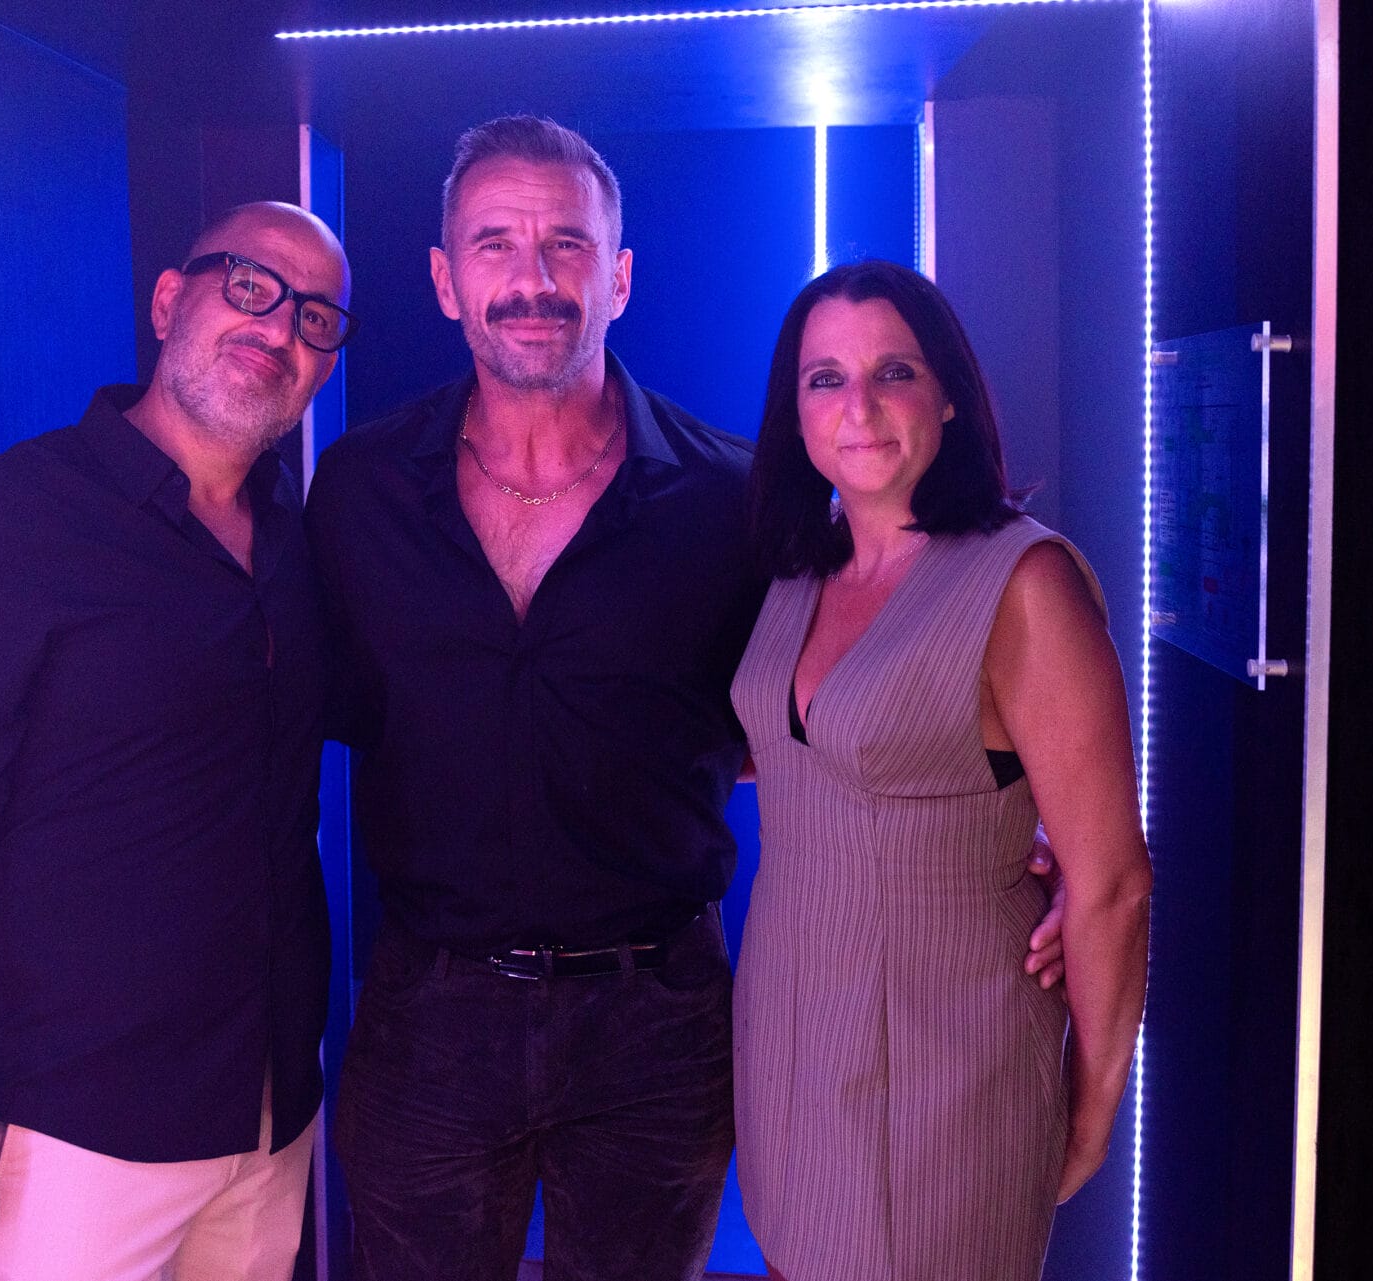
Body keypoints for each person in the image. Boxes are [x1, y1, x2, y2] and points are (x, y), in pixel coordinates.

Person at [306, 118, 1064, 1281]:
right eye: (496, 243)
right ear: (445, 281)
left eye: (567, 244)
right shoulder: (360, 488)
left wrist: (1013, 819)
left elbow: (816, 710)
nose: (532, 278)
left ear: (618, 277)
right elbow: (325, 702)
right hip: (430, 1016)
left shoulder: (732, 502)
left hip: (657, 1020)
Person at [0, 201, 351, 1281]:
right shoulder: (15, 518)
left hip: (270, 1110)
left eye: (316, 318)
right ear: (170, 301)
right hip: (73, 1131)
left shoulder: (297, 539)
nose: (279, 328)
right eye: (251, 285)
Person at [730, 259, 1152, 1281]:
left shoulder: (1024, 583)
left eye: (895, 372)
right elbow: (808, 752)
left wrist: (1089, 1116)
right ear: (795, 411)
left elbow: (1111, 884)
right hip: (787, 1041)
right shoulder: (799, 571)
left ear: (950, 394)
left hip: (947, 1067)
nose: (859, 406)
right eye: (825, 379)